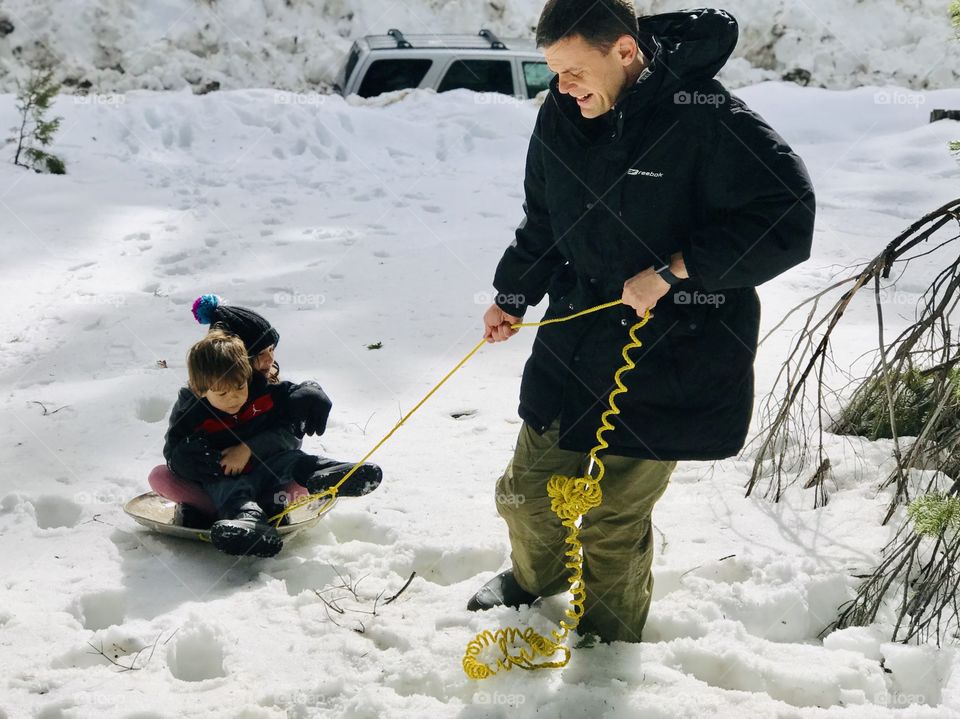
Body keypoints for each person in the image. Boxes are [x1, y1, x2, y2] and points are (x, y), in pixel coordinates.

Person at [468, 0, 815, 645]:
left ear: (625, 52)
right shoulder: (561, 115)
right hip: (574, 334)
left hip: (674, 352)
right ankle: (532, 579)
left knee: (608, 521)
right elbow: (544, 219)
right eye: (553, 72)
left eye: (573, 71)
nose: (560, 88)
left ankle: (607, 639)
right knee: (524, 493)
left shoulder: (707, 119)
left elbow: (786, 218)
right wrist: (513, 295)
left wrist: (678, 269)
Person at [149, 330, 382, 557]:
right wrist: (195, 459)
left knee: (294, 461)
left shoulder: (263, 392)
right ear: (200, 390)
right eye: (222, 394)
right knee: (230, 492)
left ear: (247, 375)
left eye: (240, 387)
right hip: (226, 475)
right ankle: (250, 524)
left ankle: (330, 473)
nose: (234, 398)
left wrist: (309, 390)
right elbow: (174, 452)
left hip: (269, 468)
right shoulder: (192, 413)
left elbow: (292, 402)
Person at [192, 294, 281, 382]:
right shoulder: (218, 394)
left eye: (271, 349)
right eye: (260, 353)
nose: (270, 359)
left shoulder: (278, 390)